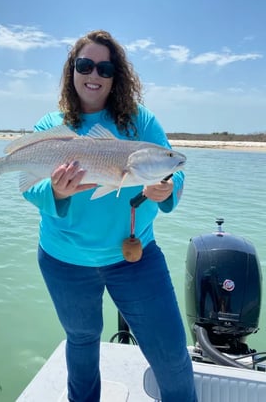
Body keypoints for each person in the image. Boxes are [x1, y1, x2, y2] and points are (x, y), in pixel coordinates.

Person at [23, 30, 197, 402]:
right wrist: (55, 191)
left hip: (135, 259)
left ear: (117, 76)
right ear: (72, 71)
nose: (94, 75)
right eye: (85, 65)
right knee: (82, 343)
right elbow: (28, 185)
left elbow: (173, 166)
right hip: (64, 260)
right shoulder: (50, 128)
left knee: (171, 354)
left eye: (105, 67)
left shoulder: (140, 121)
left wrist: (168, 188)